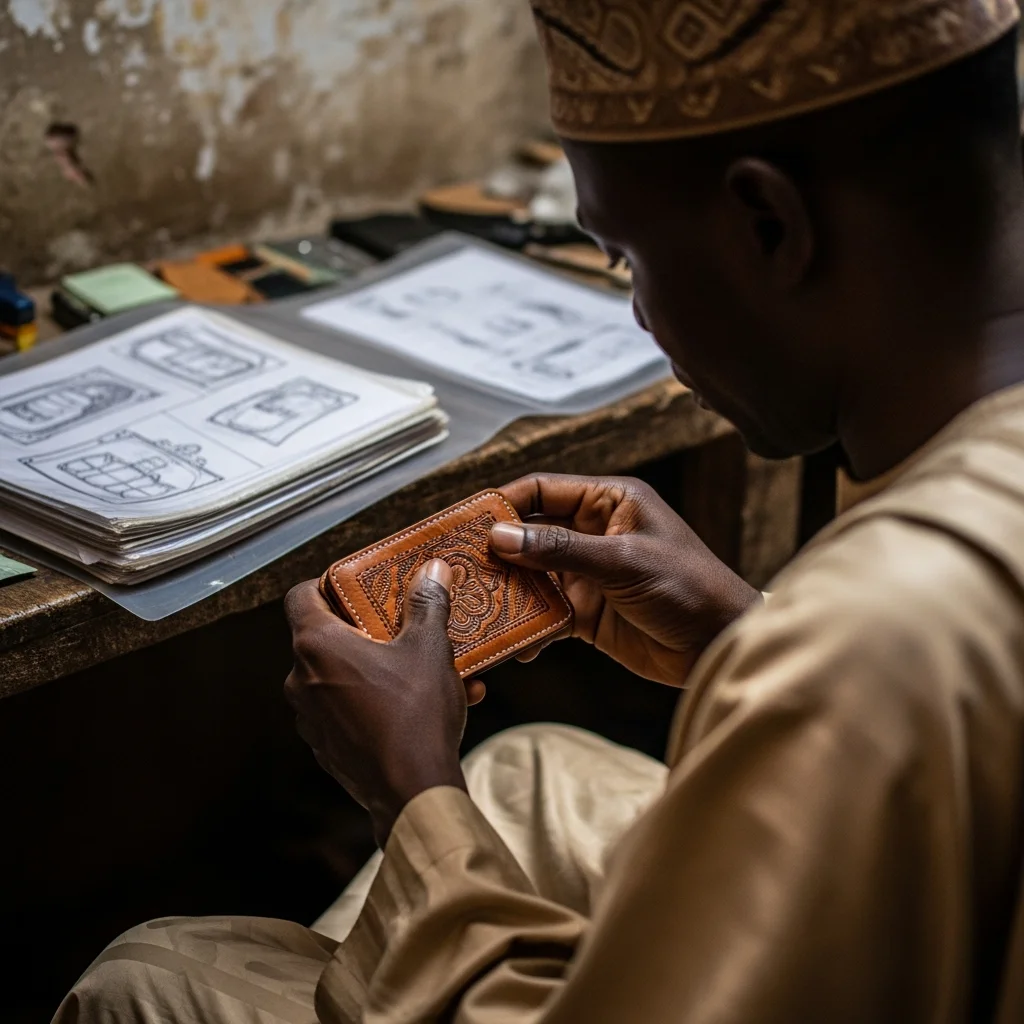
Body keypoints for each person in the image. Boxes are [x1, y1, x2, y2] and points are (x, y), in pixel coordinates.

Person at [55, 0, 1024, 1021]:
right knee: (526, 770)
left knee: (146, 978)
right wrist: (740, 640)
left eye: (627, 258)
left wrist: (410, 791)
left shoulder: (868, 630)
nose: (643, 313)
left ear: (767, 224)